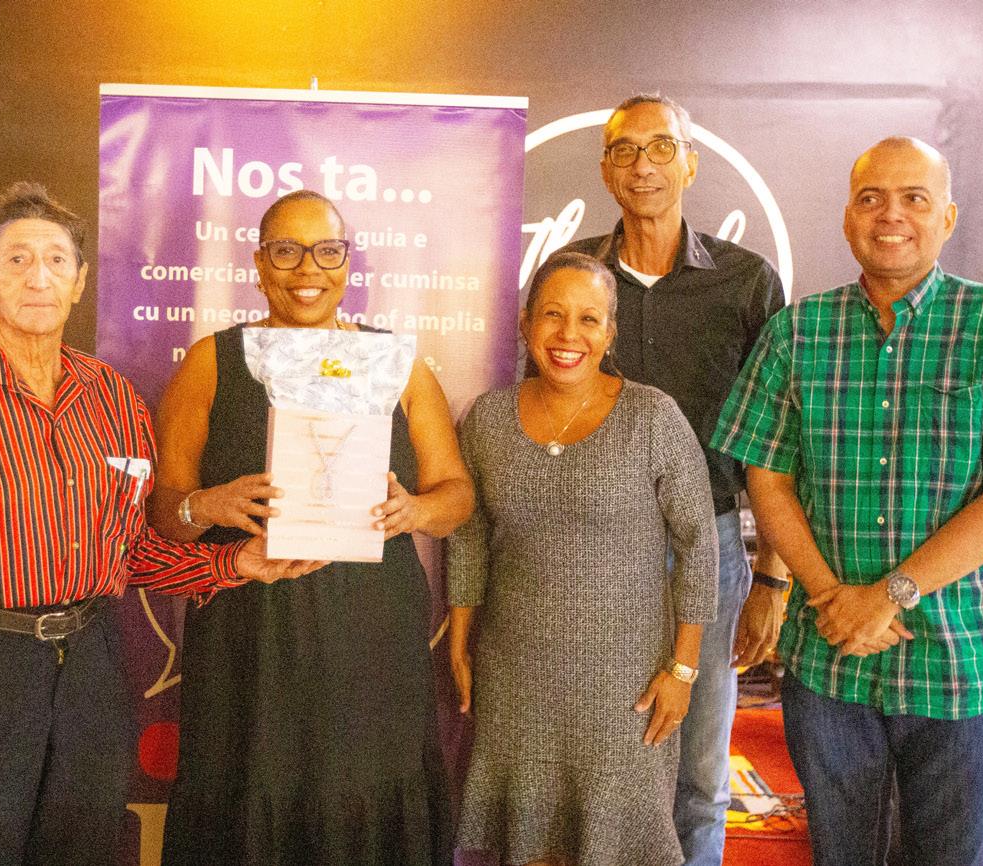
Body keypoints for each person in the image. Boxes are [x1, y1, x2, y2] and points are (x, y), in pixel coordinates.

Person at [0, 182, 321, 865]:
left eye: (56, 261)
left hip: (91, 666)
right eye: (16, 260)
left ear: (79, 282)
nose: (38, 277)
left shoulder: (113, 398)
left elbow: (128, 551)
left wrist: (232, 563)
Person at [713, 136, 983, 866]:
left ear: (947, 217)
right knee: (839, 854)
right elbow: (769, 480)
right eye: (871, 198)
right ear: (847, 217)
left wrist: (888, 595)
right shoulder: (796, 333)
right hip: (829, 665)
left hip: (958, 660)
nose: (891, 215)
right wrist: (831, 597)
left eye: (914, 198)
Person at [149, 189, 473, 866]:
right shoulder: (212, 362)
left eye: (326, 251)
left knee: (367, 799)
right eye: (286, 251)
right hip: (250, 634)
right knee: (248, 795)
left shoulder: (399, 364)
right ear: (259, 263)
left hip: (371, 634)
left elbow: (457, 495)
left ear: (347, 263)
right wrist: (207, 506)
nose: (308, 270)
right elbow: (162, 513)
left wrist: (414, 510)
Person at [555, 93, 788, 866]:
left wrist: (773, 577)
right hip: (592, 546)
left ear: (690, 163)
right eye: (625, 150)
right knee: (594, 754)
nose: (643, 165)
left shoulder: (746, 283)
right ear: (605, 170)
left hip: (710, 546)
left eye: (661, 148)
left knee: (699, 773)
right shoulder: (572, 279)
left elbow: (781, 442)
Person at [447, 251, 719, 866]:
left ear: (610, 332)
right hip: (516, 676)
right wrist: (461, 642)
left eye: (589, 319)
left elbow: (699, 545)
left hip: (626, 685)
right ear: (525, 323)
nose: (568, 334)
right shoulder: (487, 419)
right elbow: (468, 538)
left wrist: (683, 671)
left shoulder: (652, 416)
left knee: (618, 847)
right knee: (530, 844)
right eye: (553, 315)